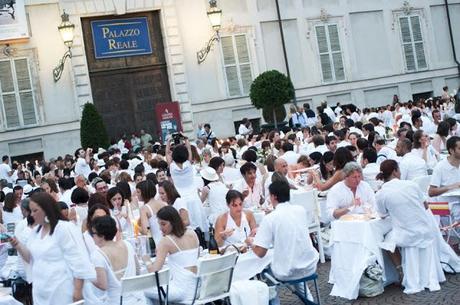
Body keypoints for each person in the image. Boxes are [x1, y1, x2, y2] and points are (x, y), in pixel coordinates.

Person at [10, 192, 95, 304]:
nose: (32, 215)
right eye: (31, 211)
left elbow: (79, 261)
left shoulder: (64, 228)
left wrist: (78, 291)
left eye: (35, 211)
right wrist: (18, 245)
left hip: (62, 291)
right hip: (41, 291)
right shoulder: (36, 232)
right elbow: (31, 258)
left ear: (46, 209)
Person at [375, 160, 445, 293]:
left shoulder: (381, 193)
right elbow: (425, 206)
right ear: (395, 171)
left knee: (386, 241)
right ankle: (416, 275)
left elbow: (382, 215)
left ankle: (400, 272)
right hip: (425, 230)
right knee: (393, 237)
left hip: (406, 234)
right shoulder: (412, 185)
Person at [251, 180, 319, 304]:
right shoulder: (300, 210)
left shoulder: (270, 218)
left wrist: (251, 242)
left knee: (264, 271)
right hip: (309, 265)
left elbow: (260, 253)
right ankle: (310, 300)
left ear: (274, 196)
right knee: (292, 259)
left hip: (287, 271)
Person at [144, 206, 199, 305]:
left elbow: (154, 271)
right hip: (197, 288)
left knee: (141, 291)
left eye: (163, 224)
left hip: (181, 291)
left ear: (173, 222)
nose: (160, 228)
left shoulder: (166, 241)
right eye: (159, 225)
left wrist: (146, 260)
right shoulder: (192, 233)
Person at [90, 215, 142, 305]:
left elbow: (103, 285)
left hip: (116, 301)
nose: (92, 237)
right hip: (139, 300)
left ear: (101, 235)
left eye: (93, 234)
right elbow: (138, 271)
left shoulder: (97, 255)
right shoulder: (127, 244)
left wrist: (87, 275)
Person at [429, 136, 460, 223]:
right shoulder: (440, 167)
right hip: (447, 204)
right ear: (451, 151)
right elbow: (431, 192)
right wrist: (452, 186)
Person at [138, 180, 167, 246]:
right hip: (168, 239)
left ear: (144, 192)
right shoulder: (164, 204)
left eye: (138, 192)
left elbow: (146, 231)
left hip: (157, 241)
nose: (137, 195)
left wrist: (137, 227)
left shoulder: (144, 209)